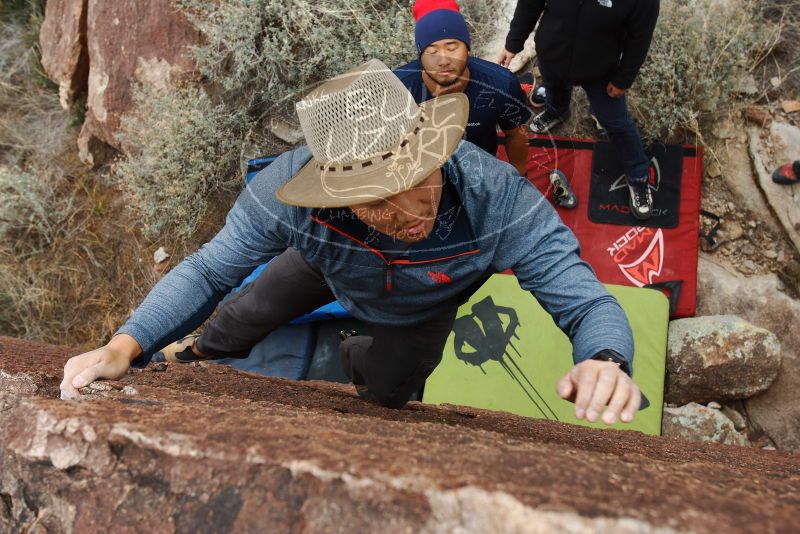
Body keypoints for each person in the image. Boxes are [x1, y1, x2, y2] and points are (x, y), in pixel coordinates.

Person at [61, 59, 641, 425]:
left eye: (417, 182)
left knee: (391, 393)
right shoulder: (283, 192)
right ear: (331, 190)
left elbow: (586, 301)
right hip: (325, 265)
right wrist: (123, 347)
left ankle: (355, 358)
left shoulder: (500, 199)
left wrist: (605, 358)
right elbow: (211, 270)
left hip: (423, 307)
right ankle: (196, 352)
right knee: (243, 312)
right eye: (374, 198)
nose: (408, 213)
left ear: (435, 151)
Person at [496, 0, 660, 220]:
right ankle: (557, 111)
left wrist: (624, 78)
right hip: (553, 53)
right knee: (555, 88)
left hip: (601, 70)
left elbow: (639, 37)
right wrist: (513, 43)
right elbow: (530, 3)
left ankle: (639, 177)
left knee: (616, 123)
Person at [394, 0, 531, 177]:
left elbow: (516, 135)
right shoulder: (397, 88)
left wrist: (518, 178)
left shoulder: (501, 84)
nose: (443, 60)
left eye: (452, 48)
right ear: (420, 55)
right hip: (424, 174)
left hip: (481, 169)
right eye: (432, 51)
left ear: (467, 48)